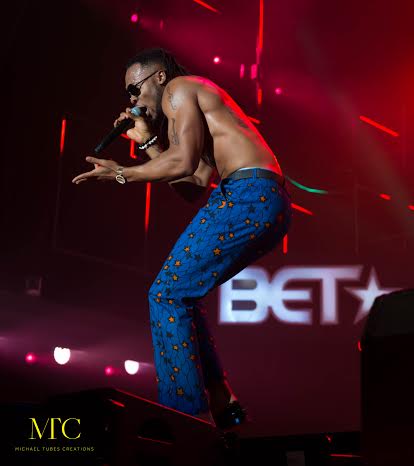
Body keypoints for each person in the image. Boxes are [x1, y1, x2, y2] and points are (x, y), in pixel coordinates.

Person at [72, 47, 292, 430]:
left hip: (248, 193)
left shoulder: (179, 89)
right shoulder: (189, 102)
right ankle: (222, 401)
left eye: (135, 89)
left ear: (158, 77)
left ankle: (182, 419)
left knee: (165, 294)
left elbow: (182, 162)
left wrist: (121, 173)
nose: (132, 99)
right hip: (260, 198)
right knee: (180, 294)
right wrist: (145, 141)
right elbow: (194, 183)